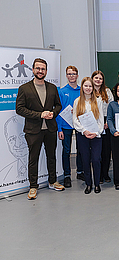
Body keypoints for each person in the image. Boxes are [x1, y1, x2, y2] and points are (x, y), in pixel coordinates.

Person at [16, 58, 64, 200]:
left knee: (51, 156)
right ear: (33, 70)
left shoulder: (52, 88)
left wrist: (52, 113)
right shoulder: (24, 88)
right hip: (33, 130)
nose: (40, 71)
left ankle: (52, 181)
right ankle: (33, 186)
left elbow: (58, 105)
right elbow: (19, 109)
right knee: (33, 158)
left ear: (46, 71)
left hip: (50, 129)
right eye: (38, 68)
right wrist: (39, 115)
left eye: (43, 69)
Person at [73, 77, 104, 194]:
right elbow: (75, 120)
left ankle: (97, 184)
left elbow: (101, 120)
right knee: (85, 160)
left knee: (96, 159)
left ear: (93, 88)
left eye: (90, 86)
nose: (88, 88)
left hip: (96, 136)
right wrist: (84, 131)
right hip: (83, 135)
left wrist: (96, 132)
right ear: (82, 87)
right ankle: (88, 184)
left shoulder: (98, 101)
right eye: (85, 86)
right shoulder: (77, 101)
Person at [56, 65, 83, 188]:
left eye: (73, 74)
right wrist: (59, 129)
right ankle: (67, 175)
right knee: (66, 151)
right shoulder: (61, 91)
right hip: (65, 125)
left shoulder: (82, 91)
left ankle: (80, 172)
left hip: (79, 124)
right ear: (66, 76)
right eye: (69, 74)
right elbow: (57, 110)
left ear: (77, 75)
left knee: (81, 149)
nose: (71, 76)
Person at [92, 70, 114, 184]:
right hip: (93, 121)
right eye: (96, 78)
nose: (98, 80)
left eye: (100, 78)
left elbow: (112, 106)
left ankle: (105, 173)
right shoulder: (89, 91)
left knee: (106, 150)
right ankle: (98, 174)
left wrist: (108, 122)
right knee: (97, 151)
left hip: (106, 122)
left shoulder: (107, 91)